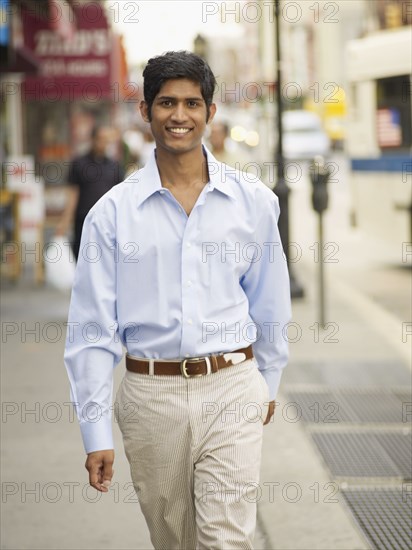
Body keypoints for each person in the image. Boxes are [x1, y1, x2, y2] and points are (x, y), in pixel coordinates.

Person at [64, 51, 291, 549]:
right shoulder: (111, 215)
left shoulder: (253, 203)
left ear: (211, 112)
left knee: (225, 540)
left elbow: (270, 304)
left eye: (192, 103)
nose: (180, 115)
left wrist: (266, 382)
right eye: (166, 102)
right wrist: (95, 429)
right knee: (174, 540)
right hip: (150, 396)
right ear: (145, 111)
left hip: (233, 388)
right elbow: (91, 330)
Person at [56, 125, 124, 260]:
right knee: (81, 258)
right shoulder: (79, 163)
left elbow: (120, 197)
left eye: (107, 140)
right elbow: (72, 194)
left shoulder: (114, 166)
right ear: (92, 139)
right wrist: (64, 222)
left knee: (106, 260)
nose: (103, 143)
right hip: (83, 220)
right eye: (101, 139)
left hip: (107, 222)